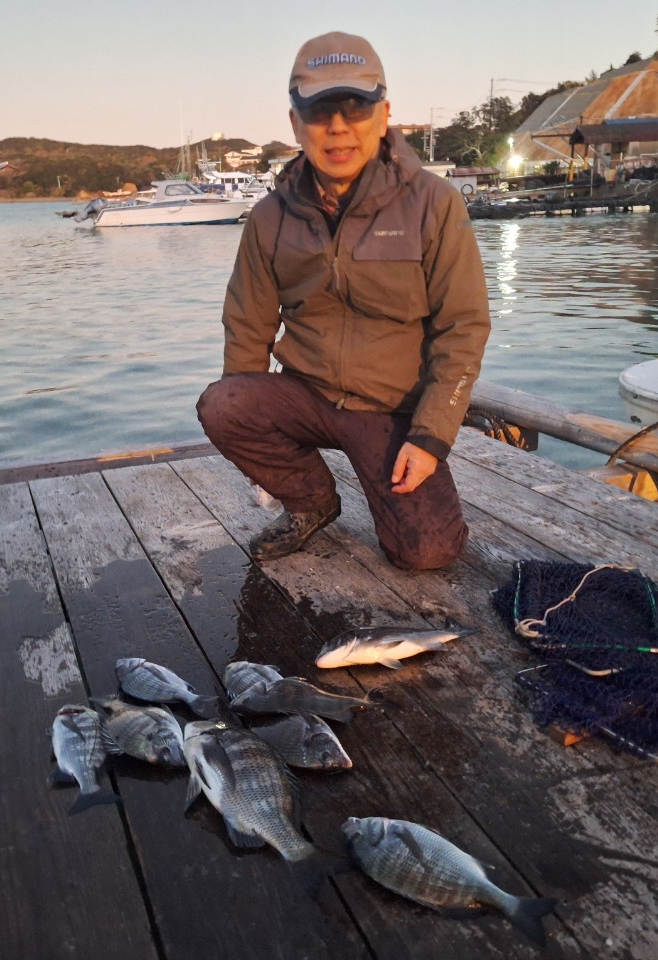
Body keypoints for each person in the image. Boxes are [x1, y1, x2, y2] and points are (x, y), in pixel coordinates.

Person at [195, 31, 490, 570]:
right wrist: (260, 454)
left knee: (427, 553)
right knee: (224, 402)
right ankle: (311, 501)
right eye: (319, 111)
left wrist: (430, 437)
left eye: (355, 107)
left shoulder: (435, 204)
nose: (337, 127)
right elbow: (247, 326)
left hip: (390, 409)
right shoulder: (268, 217)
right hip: (306, 395)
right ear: (295, 123)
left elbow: (464, 326)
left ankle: (400, 485)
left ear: (384, 115)